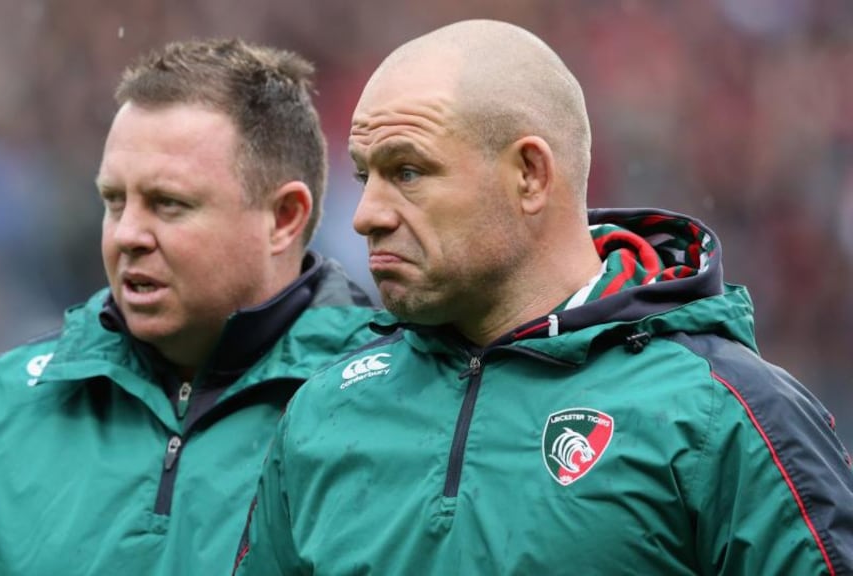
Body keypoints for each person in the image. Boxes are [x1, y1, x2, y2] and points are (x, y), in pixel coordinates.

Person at [234, 19, 853, 575]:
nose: (365, 216)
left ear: (529, 174)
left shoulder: (725, 414)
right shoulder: (323, 412)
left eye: (408, 172)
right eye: (366, 176)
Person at [0, 38, 378, 575]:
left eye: (168, 204)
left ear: (284, 218)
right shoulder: (4, 405)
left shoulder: (393, 410)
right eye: (114, 201)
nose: (127, 235)